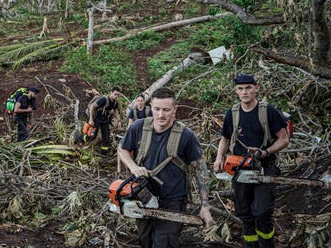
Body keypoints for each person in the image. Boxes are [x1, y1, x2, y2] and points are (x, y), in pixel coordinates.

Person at [120, 87, 213, 248]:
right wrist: (133, 166)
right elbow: (122, 149)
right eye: (156, 109)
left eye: (166, 110)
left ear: (174, 109)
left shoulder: (186, 135)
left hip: (173, 200)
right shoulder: (138, 127)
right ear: (151, 108)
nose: (161, 115)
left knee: (164, 243)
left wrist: (205, 206)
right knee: (146, 241)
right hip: (144, 197)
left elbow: (201, 169)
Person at [213, 74, 289, 248]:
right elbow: (224, 138)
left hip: (265, 167)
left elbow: (284, 139)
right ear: (236, 91)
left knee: (261, 212)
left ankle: (267, 243)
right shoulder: (232, 113)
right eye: (240, 89)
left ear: (256, 88)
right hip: (239, 168)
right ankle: (251, 245)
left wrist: (265, 152)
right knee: (244, 212)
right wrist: (219, 159)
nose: (244, 92)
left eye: (248, 87)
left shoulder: (268, 111)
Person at [87, 87, 121, 155]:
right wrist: (91, 119)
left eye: (118, 95)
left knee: (106, 138)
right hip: (96, 118)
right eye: (115, 94)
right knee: (92, 135)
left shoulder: (115, 102)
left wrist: (119, 121)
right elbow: (92, 107)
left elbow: (115, 111)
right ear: (111, 92)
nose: (116, 96)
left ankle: (103, 154)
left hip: (105, 120)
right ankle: (80, 140)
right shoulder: (103, 99)